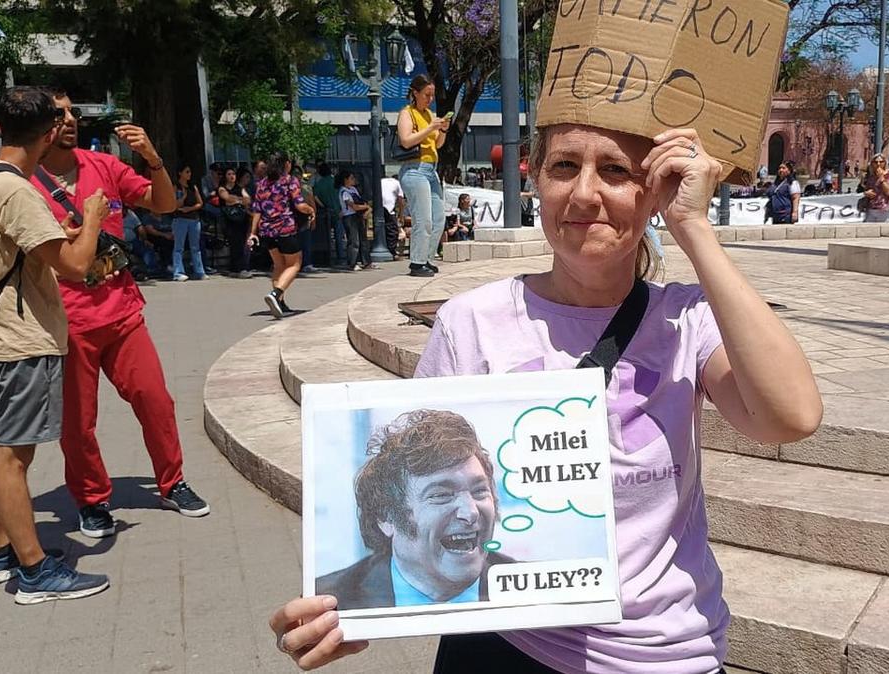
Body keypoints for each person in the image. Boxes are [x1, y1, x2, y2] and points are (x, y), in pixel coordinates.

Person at [270, 124, 822, 672]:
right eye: (564, 167)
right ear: (536, 184)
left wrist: (694, 226)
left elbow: (791, 416)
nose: (585, 194)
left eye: (615, 170)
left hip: (670, 649)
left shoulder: (689, 318)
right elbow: (417, 489)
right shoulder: (472, 323)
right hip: (510, 647)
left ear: (651, 190)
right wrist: (355, 614)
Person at [35, 89, 209, 539]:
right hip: (66, 322)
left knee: (155, 400)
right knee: (78, 423)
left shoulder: (103, 167)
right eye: (59, 114)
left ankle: (173, 482)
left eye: (73, 112)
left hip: (123, 311)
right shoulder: (23, 182)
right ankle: (91, 499)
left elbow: (164, 204)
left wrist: (153, 159)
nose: (70, 120)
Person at [0, 86, 111, 603]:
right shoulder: (19, 191)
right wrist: (92, 220)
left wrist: (62, 230)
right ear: (50, 133)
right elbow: (74, 268)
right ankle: (34, 572)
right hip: (23, 341)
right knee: (12, 457)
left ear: (0, 128)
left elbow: (22, 248)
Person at [315, 410, 513, 610]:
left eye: (479, 491)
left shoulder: (533, 590)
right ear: (386, 517)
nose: (470, 512)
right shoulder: (329, 601)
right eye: (441, 495)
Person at [248, 152, 314, 318]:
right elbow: (299, 205)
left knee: (278, 265)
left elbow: (257, 209)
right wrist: (311, 210)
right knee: (294, 264)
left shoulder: (262, 183)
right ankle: (276, 294)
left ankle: (281, 303)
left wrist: (252, 233)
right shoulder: (289, 180)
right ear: (286, 164)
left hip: (267, 231)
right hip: (286, 228)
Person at [397, 74, 449, 278]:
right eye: (427, 94)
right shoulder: (407, 113)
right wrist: (430, 128)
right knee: (423, 219)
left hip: (430, 169)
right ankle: (417, 262)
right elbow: (406, 140)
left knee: (438, 217)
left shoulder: (430, 115)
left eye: (432, 95)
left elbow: (438, 144)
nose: (430, 99)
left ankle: (427, 258)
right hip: (414, 169)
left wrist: (442, 130)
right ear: (415, 93)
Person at [170, 163, 206, 282]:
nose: (189, 174)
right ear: (180, 173)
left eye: (189, 172)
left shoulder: (192, 186)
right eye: (186, 172)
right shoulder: (176, 187)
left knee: (195, 247)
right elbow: (174, 205)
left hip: (193, 219)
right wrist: (183, 198)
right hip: (180, 219)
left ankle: (199, 271)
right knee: (178, 247)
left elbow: (200, 203)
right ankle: (178, 272)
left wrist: (190, 209)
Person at [219, 166, 253, 278]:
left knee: (242, 242)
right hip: (229, 219)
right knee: (235, 242)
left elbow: (248, 200)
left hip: (241, 218)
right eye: (229, 174)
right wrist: (239, 200)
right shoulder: (222, 188)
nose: (232, 176)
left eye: (233, 174)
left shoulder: (239, 187)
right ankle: (238, 268)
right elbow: (227, 199)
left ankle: (237, 268)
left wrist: (236, 200)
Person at [338, 170, 374, 271]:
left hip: (358, 216)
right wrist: (365, 207)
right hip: (350, 216)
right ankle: (352, 262)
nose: (354, 180)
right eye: (351, 178)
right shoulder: (344, 192)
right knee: (354, 240)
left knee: (363, 239)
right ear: (346, 180)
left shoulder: (353, 189)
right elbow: (353, 206)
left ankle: (366, 261)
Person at [312, 162, 341, 267]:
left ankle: (328, 256)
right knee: (339, 235)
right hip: (338, 210)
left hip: (327, 210)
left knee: (327, 234)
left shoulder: (319, 183)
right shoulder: (335, 182)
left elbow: (314, 196)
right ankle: (341, 256)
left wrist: (322, 205)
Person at [859, 153, 889, 223]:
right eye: (876, 162)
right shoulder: (870, 175)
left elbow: (888, 192)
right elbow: (865, 188)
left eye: (881, 162)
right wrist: (866, 193)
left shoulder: (888, 175)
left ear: (885, 163)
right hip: (871, 208)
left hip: (883, 209)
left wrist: (881, 178)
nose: (878, 164)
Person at [380, 174, 405, 257]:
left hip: (379, 207)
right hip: (389, 208)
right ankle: (392, 252)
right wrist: (401, 216)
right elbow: (401, 201)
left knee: (381, 228)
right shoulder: (397, 183)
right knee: (393, 231)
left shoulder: (382, 181)